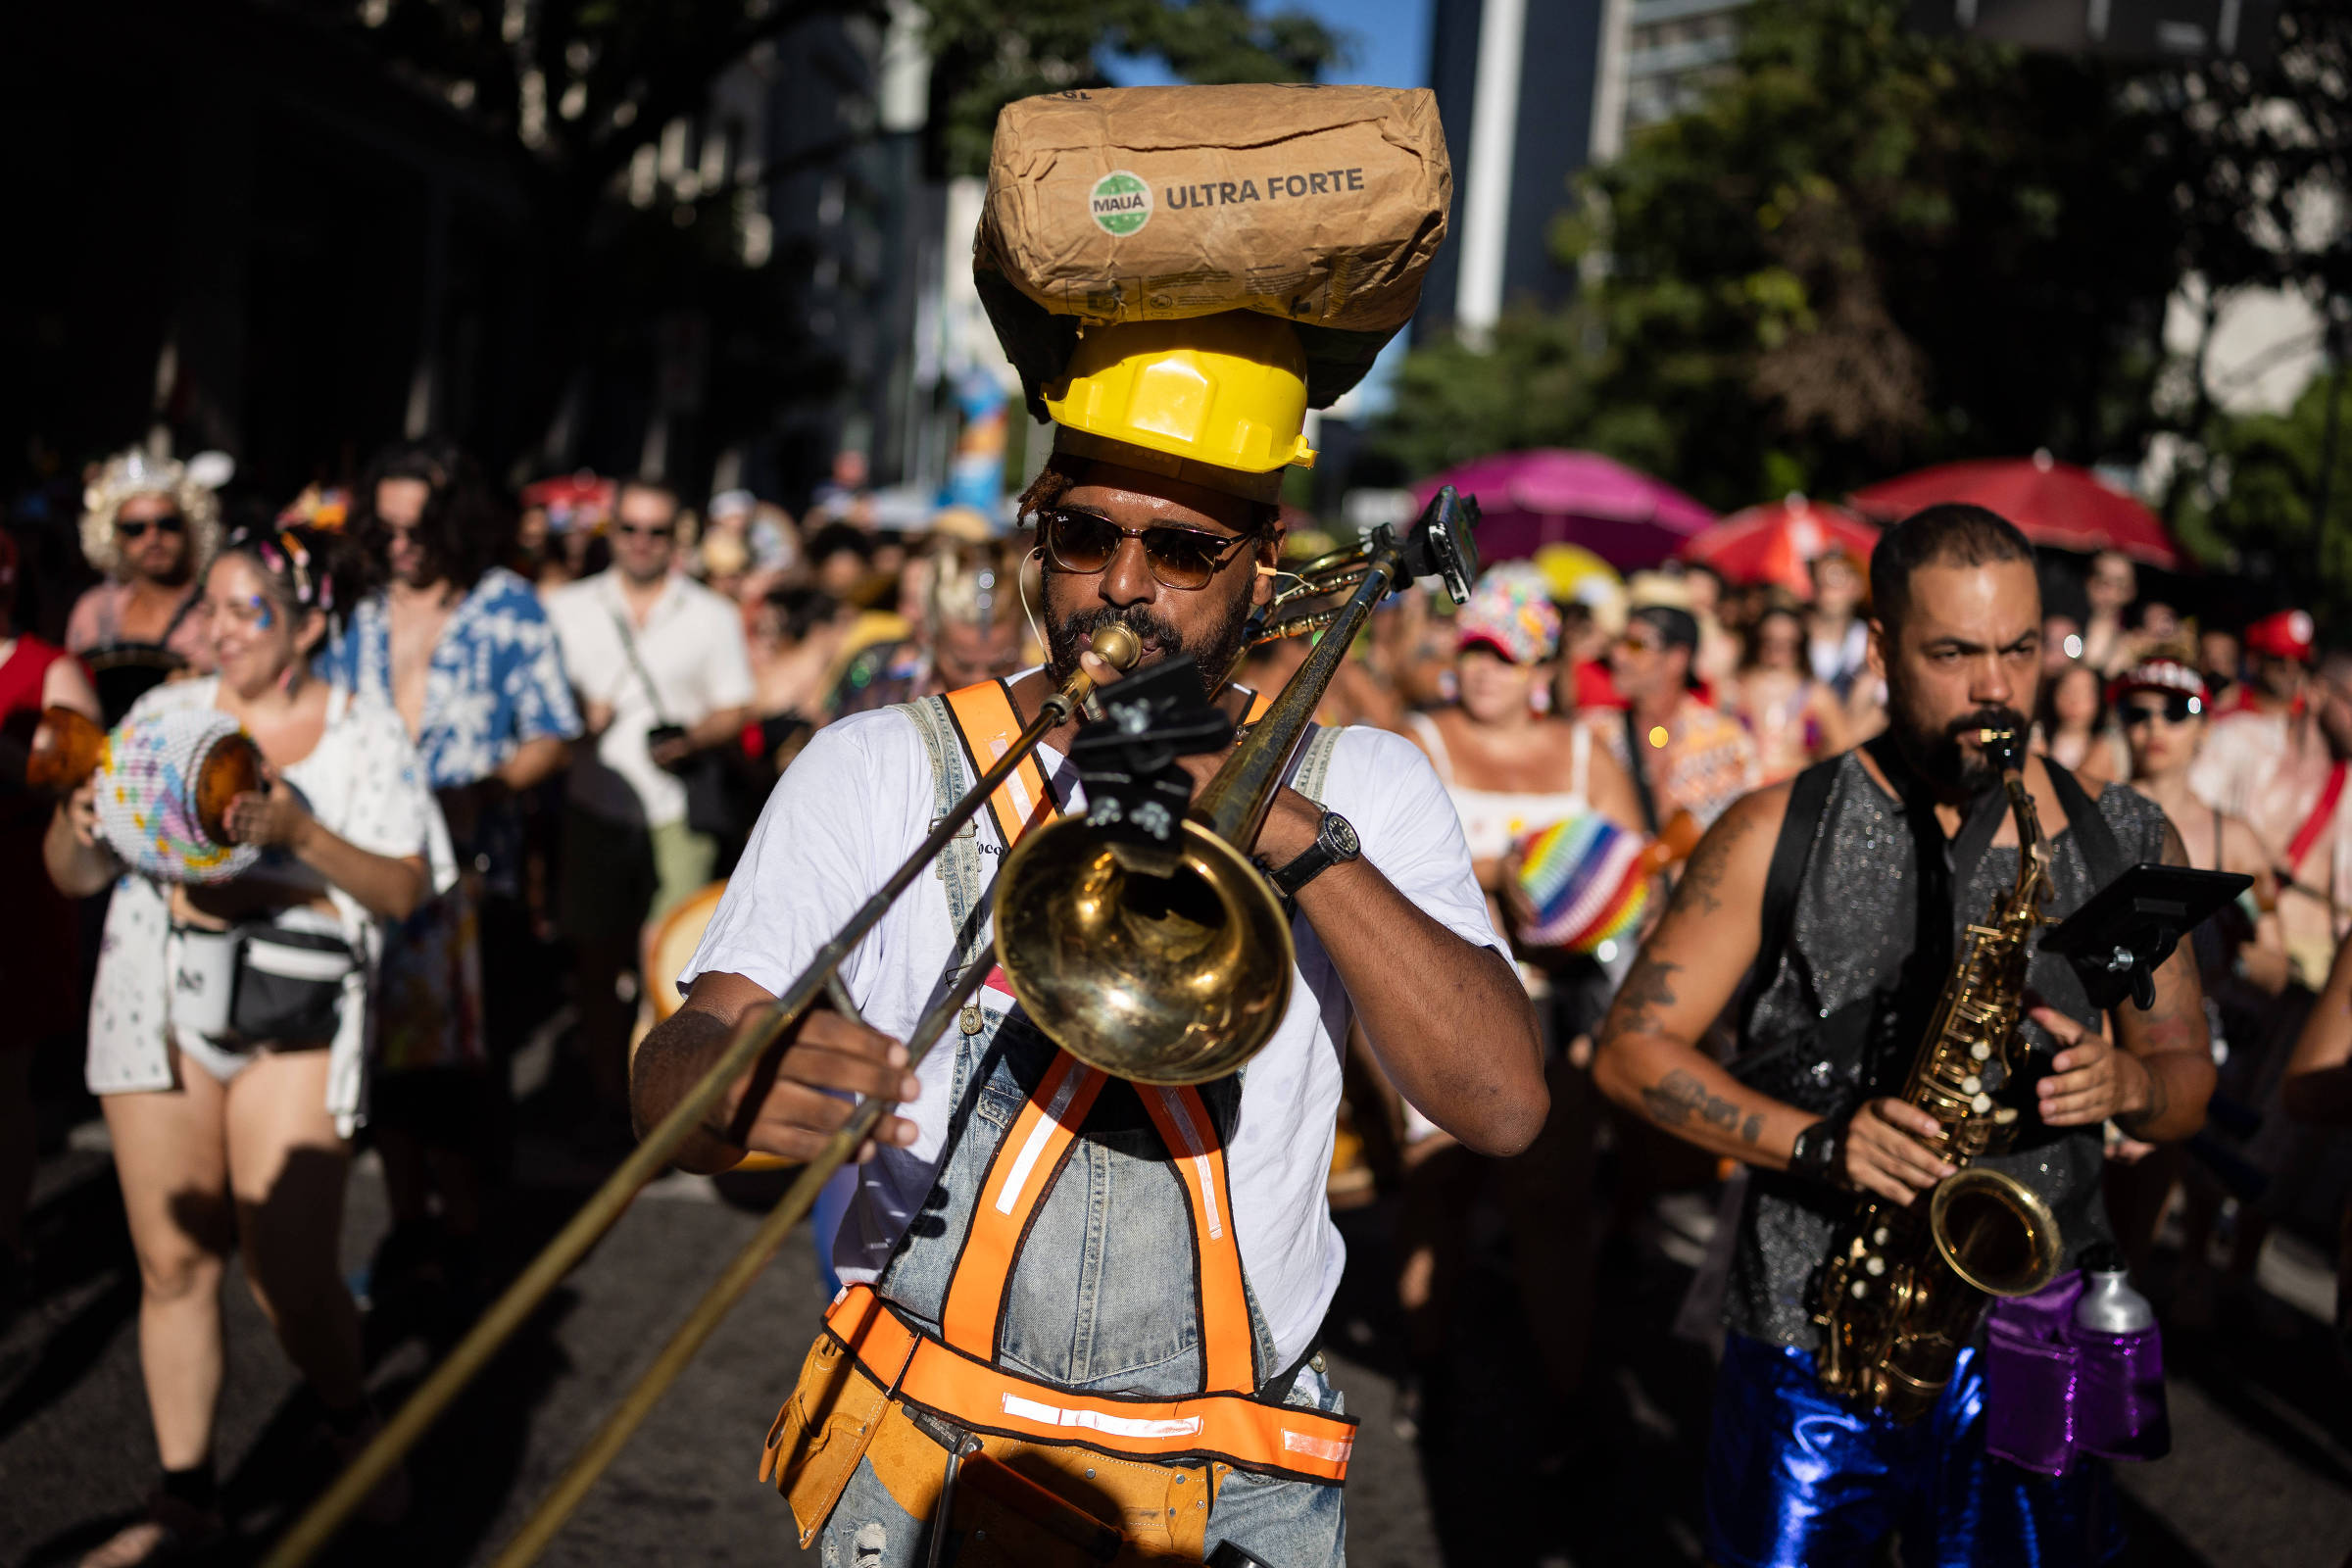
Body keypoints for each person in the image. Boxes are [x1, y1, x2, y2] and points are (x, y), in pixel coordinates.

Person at [631, 310, 1544, 1566]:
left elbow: (1500, 1104)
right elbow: (679, 1057)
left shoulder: (1367, 788)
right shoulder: (877, 763)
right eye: (1083, 534)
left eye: (1183, 548)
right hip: (915, 1450)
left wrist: (1291, 834)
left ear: (1263, 563)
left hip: (1234, 1485)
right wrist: (723, 1088)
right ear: (1035, 533)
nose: (1123, 584)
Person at [1593, 505, 2213, 1568]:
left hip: (2043, 1326)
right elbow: (1630, 1053)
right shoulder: (1772, 825)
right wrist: (1819, 1141)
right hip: (1813, 1328)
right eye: (1954, 652)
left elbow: (2187, 1076)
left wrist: (2127, 1085)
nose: (1996, 688)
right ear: (1879, 648)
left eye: (2020, 648)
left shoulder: (2121, 836)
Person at [47, 525, 454, 1565]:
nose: (218, 630)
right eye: (213, 609)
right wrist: (83, 824)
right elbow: (74, 878)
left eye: (247, 610)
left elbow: (404, 890)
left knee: (290, 1270)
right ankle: (186, 1496)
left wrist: (299, 837)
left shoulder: (363, 738)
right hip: (161, 999)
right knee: (173, 1260)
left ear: (309, 622)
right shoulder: (164, 717)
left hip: (297, 1016)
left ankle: (348, 1415)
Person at [326, 442, 582, 1312]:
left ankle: (466, 1243)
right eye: (386, 528)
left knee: (460, 1081)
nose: (402, 546)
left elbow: (554, 731)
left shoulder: (506, 605)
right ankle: (407, 1232)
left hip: (472, 880)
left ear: (457, 522)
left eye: (420, 528)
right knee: (384, 1069)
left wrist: (490, 785)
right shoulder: (352, 608)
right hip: (364, 869)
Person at [1393, 564, 1643, 1440]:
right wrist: (1498, 877)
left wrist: (1577, 901)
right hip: (1433, 1001)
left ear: (1543, 671)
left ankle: (1565, 1404)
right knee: (1436, 1196)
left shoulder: (1585, 755)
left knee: (1550, 1206)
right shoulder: (1415, 737)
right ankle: (1425, 1368)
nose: (1487, 669)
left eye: (1507, 655)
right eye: (1476, 650)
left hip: (1553, 1007)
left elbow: (1631, 876)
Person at [546, 479, 754, 1125]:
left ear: (676, 538)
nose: (641, 543)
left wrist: (693, 739)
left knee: (667, 960)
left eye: (656, 531)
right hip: (593, 801)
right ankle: (609, 1093)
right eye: (630, 529)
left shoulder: (710, 614)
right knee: (595, 957)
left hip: (675, 810)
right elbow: (538, 712)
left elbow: (735, 706)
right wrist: (577, 720)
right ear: (612, 532)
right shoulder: (566, 608)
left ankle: (656, 1098)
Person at [2098, 659, 2287, 1273]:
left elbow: (2273, 970)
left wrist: (2242, 937)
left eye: (2177, 712)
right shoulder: (2087, 813)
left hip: (2176, 1045)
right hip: (2085, 1029)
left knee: (2128, 1247)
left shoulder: (2234, 840)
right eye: (2137, 712)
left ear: (2206, 728)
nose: (2156, 727)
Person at [0, 530, 101, 1307]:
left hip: (17, 882)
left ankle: (6, 1240)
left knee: (7, 1080)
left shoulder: (48, 666)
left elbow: (76, 775)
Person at [67, 448, 225, 720]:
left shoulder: (221, 607)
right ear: (114, 536)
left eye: (168, 524)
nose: (153, 538)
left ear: (191, 528)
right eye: (135, 528)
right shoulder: (92, 610)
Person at [1593, 602, 1760, 832]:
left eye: (1635, 645)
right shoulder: (1597, 736)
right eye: (1619, 643)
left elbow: (1744, 832)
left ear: (1677, 659)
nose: (1617, 655)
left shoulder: (1725, 742)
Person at [831, 535, 1030, 718]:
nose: (979, 680)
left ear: (1022, 641)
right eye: (962, 665)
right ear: (931, 637)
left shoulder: (1045, 710)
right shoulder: (878, 704)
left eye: (999, 664)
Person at [1732, 601, 1854, 784]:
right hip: (1744, 789)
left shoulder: (1818, 694)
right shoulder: (1735, 688)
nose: (1778, 649)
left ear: (1800, 643)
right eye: (1770, 641)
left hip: (1796, 790)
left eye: (1787, 643)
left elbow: (1842, 750)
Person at [2033, 661, 2126, 784]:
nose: (2074, 700)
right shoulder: (2036, 738)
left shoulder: (2108, 746)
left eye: (2085, 693)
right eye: (2068, 690)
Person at [1806, 550, 1870, 702]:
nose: (1826, 588)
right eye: (1819, 578)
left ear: (1857, 588)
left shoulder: (1867, 641)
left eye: (1836, 577)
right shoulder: (1796, 637)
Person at [2078, 549, 2139, 675]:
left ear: (2131, 591)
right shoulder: (2069, 625)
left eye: (2120, 585)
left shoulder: (2134, 642)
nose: (2110, 593)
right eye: (2103, 582)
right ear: (2089, 583)